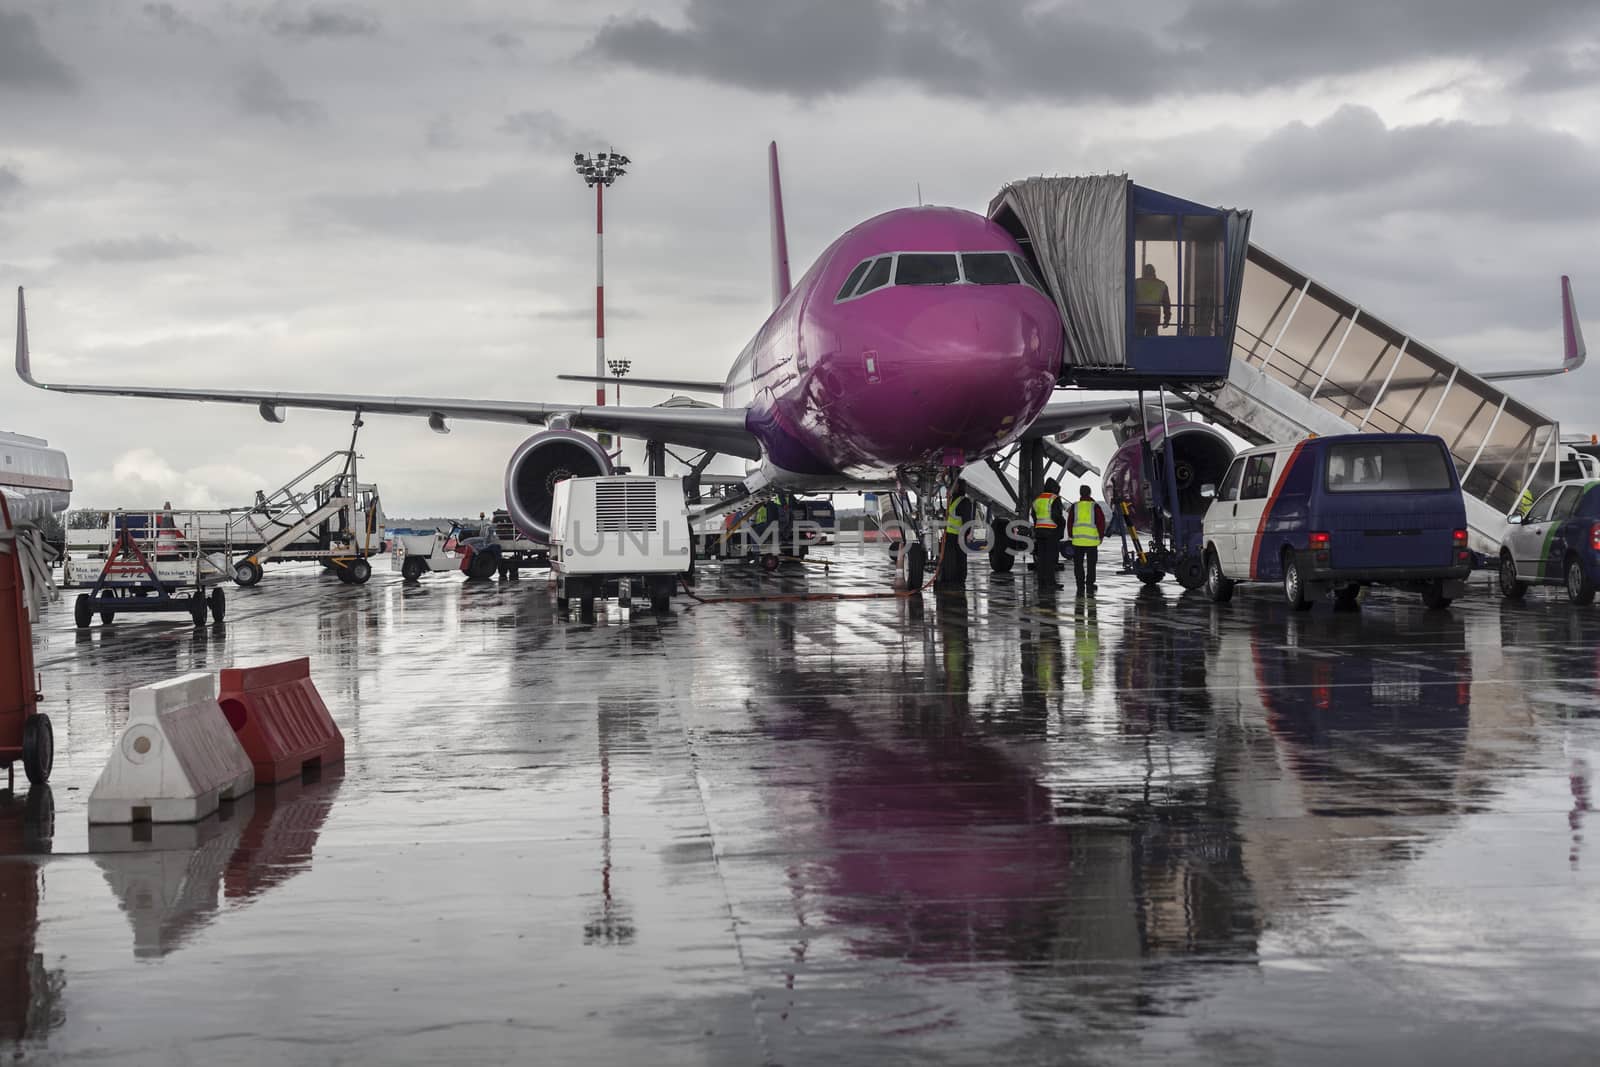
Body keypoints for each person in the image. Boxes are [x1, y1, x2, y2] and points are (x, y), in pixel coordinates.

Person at [936, 479, 974, 588]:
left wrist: (964, 535)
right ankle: (949, 580)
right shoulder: (953, 500)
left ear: (958, 487)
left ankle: (958, 581)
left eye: (953, 485)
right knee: (949, 560)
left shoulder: (963, 501)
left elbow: (967, 520)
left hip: (957, 536)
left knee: (959, 560)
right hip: (949, 536)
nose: (950, 488)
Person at [1070, 485, 1107, 594]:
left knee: (1078, 563)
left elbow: (1070, 521)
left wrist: (1071, 535)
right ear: (1090, 493)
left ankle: (1080, 584)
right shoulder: (1095, 507)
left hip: (1077, 541)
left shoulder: (1075, 506)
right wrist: (1101, 536)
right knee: (1091, 563)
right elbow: (1101, 522)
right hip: (1091, 541)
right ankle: (1090, 583)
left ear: (1080, 493)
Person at [1031, 478, 1065, 589]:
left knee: (1042, 558)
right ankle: (1051, 583)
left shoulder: (1038, 499)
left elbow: (1034, 515)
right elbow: (1056, 515)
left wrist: (1038, 525)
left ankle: (1042, 582)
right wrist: (1061, 523)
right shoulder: (1054, 499)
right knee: (1051, 559)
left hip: (1040, 532)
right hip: (1051, 532)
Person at [1134, 263, 1171, 337]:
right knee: (1151, 340)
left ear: (1144, 272)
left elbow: (1130, 299)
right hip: (1153, 317)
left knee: (1137, 339)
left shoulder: (1137, 283)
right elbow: (1166, 304)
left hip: (1138, 316)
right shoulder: (1161, 285)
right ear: (1154, 272)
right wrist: (1166, 319)